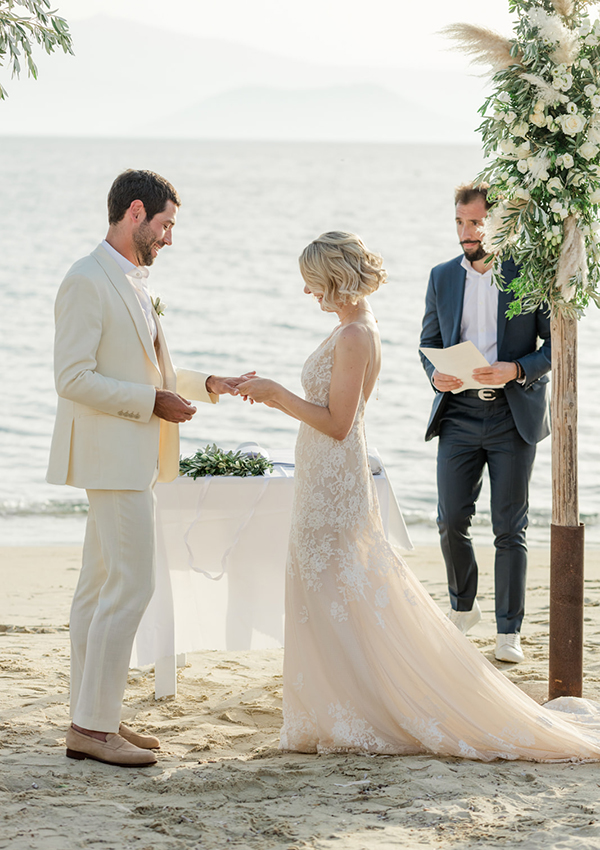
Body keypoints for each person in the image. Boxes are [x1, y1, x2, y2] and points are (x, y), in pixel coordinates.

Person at [239, 231, 600, 762]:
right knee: (332, 591)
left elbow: (339, 423)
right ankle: (337, 702)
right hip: (327, 473)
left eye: (315, 284)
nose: (309, 294)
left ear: (336, 280)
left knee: (337, 586)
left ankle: (356, 706)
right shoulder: (354, 329)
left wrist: (276, 395)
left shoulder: (356, 335)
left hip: (333, 473)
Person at [47, 169, 251, 767]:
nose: (169, 239)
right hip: (112, 457)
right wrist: (150, 403)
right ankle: (93, 726)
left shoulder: (132, 282)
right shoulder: (87, 280)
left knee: (96, 591)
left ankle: (91, 716)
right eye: (165, 225)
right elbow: (72, 377)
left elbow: (151, 376)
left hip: (130, 456)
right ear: (136, 212)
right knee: (130, 585)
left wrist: (207, 384)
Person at [419, 182, 551, 664]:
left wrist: (516, 369)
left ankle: (508, 632)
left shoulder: (528, 274)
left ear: (498, 222)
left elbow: (555, 346)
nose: (466, 232)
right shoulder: (441, 276)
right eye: (460, 222)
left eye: (475, 222)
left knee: (507, 528)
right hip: (458, 413)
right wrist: (437, 376)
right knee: (450, 519)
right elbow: (427, 341)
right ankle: (462, 607)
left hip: (512, 415)